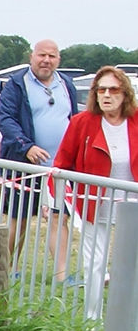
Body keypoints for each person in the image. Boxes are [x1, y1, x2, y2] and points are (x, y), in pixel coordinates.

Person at [52, 66, 138, 317]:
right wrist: (59, 201)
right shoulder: (81, 123)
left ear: (125, 94)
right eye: (101, 89)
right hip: (93, 204)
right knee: (94, 264)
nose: (107, 95)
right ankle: (92, 319)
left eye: (113, 89)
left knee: (129, 264)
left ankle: (127, 320)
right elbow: (61, 166)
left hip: (132, 206)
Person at [0, 39, 80, 275]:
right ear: (31, 57)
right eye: (42, 55)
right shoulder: (16, 84)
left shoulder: (67, 84)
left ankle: (62, 275)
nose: (46, 60)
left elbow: (73, 119)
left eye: (52, 56)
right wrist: (27, 147)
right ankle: (6, 268)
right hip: (24, 165)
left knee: (58, 218)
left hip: (60, 167)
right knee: (19, 219)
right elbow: (7, 120)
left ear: (58, 59)